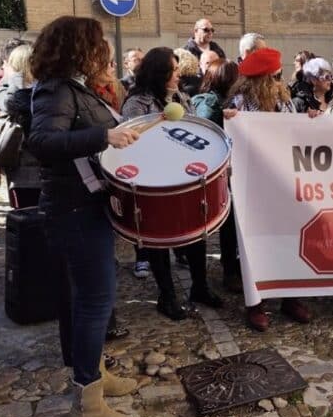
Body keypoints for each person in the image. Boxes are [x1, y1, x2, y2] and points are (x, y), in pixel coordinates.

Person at [27, 15, 140, 417]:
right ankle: (87, 406)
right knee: (95, 302)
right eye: (98, 44)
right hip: (73, 210)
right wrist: (103, 138)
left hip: (83, 205)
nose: (105, 52)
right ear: (79, 49)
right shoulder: (56, 89)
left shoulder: (70, 87)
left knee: (90, 301)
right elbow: (42, 143)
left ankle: (93, 373)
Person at [122, 47, 223, 319]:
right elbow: (130, 140)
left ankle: (199, 287)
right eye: (173, 71)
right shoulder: (137, 102)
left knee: (195, 231)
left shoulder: (181, 97)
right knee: (158, 239)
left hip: (184, 173)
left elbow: (195, 127)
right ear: (159, 73)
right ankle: (167, 296)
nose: (179, 75)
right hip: (153, 179)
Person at [228, 47, 311, 330]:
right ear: (263, 79)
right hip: (254, 185)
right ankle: (256, 303)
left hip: (284, 180)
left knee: (290, 237)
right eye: (276, 76)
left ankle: (291, 296)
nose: (281, 80)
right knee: (256, 241)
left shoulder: (285, 101)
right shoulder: (239, 103)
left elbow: (294, 133)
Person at [191, 58, 243, 292]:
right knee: (228, 223)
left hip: (229, 171)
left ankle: (232, 265)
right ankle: (229, 271)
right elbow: (206, 133)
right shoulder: (210, 103)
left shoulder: (227, 101)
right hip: (219, 172)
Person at [0, 43, 41, 209]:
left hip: (47, 169)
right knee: (26, 216)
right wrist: (15, 78)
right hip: (23, 171)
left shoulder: (45, 88)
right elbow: (12, 104)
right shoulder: (5, 90)